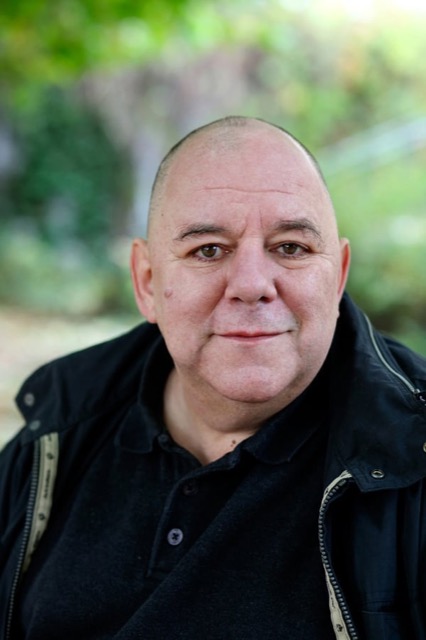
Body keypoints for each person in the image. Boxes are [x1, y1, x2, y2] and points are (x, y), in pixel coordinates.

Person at [1, 116, 425, 640]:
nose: (252, 284)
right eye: (208, 250)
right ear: (147, 282)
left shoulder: (413, 457)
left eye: (291, 247)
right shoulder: (54, 436)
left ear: (337, 276)